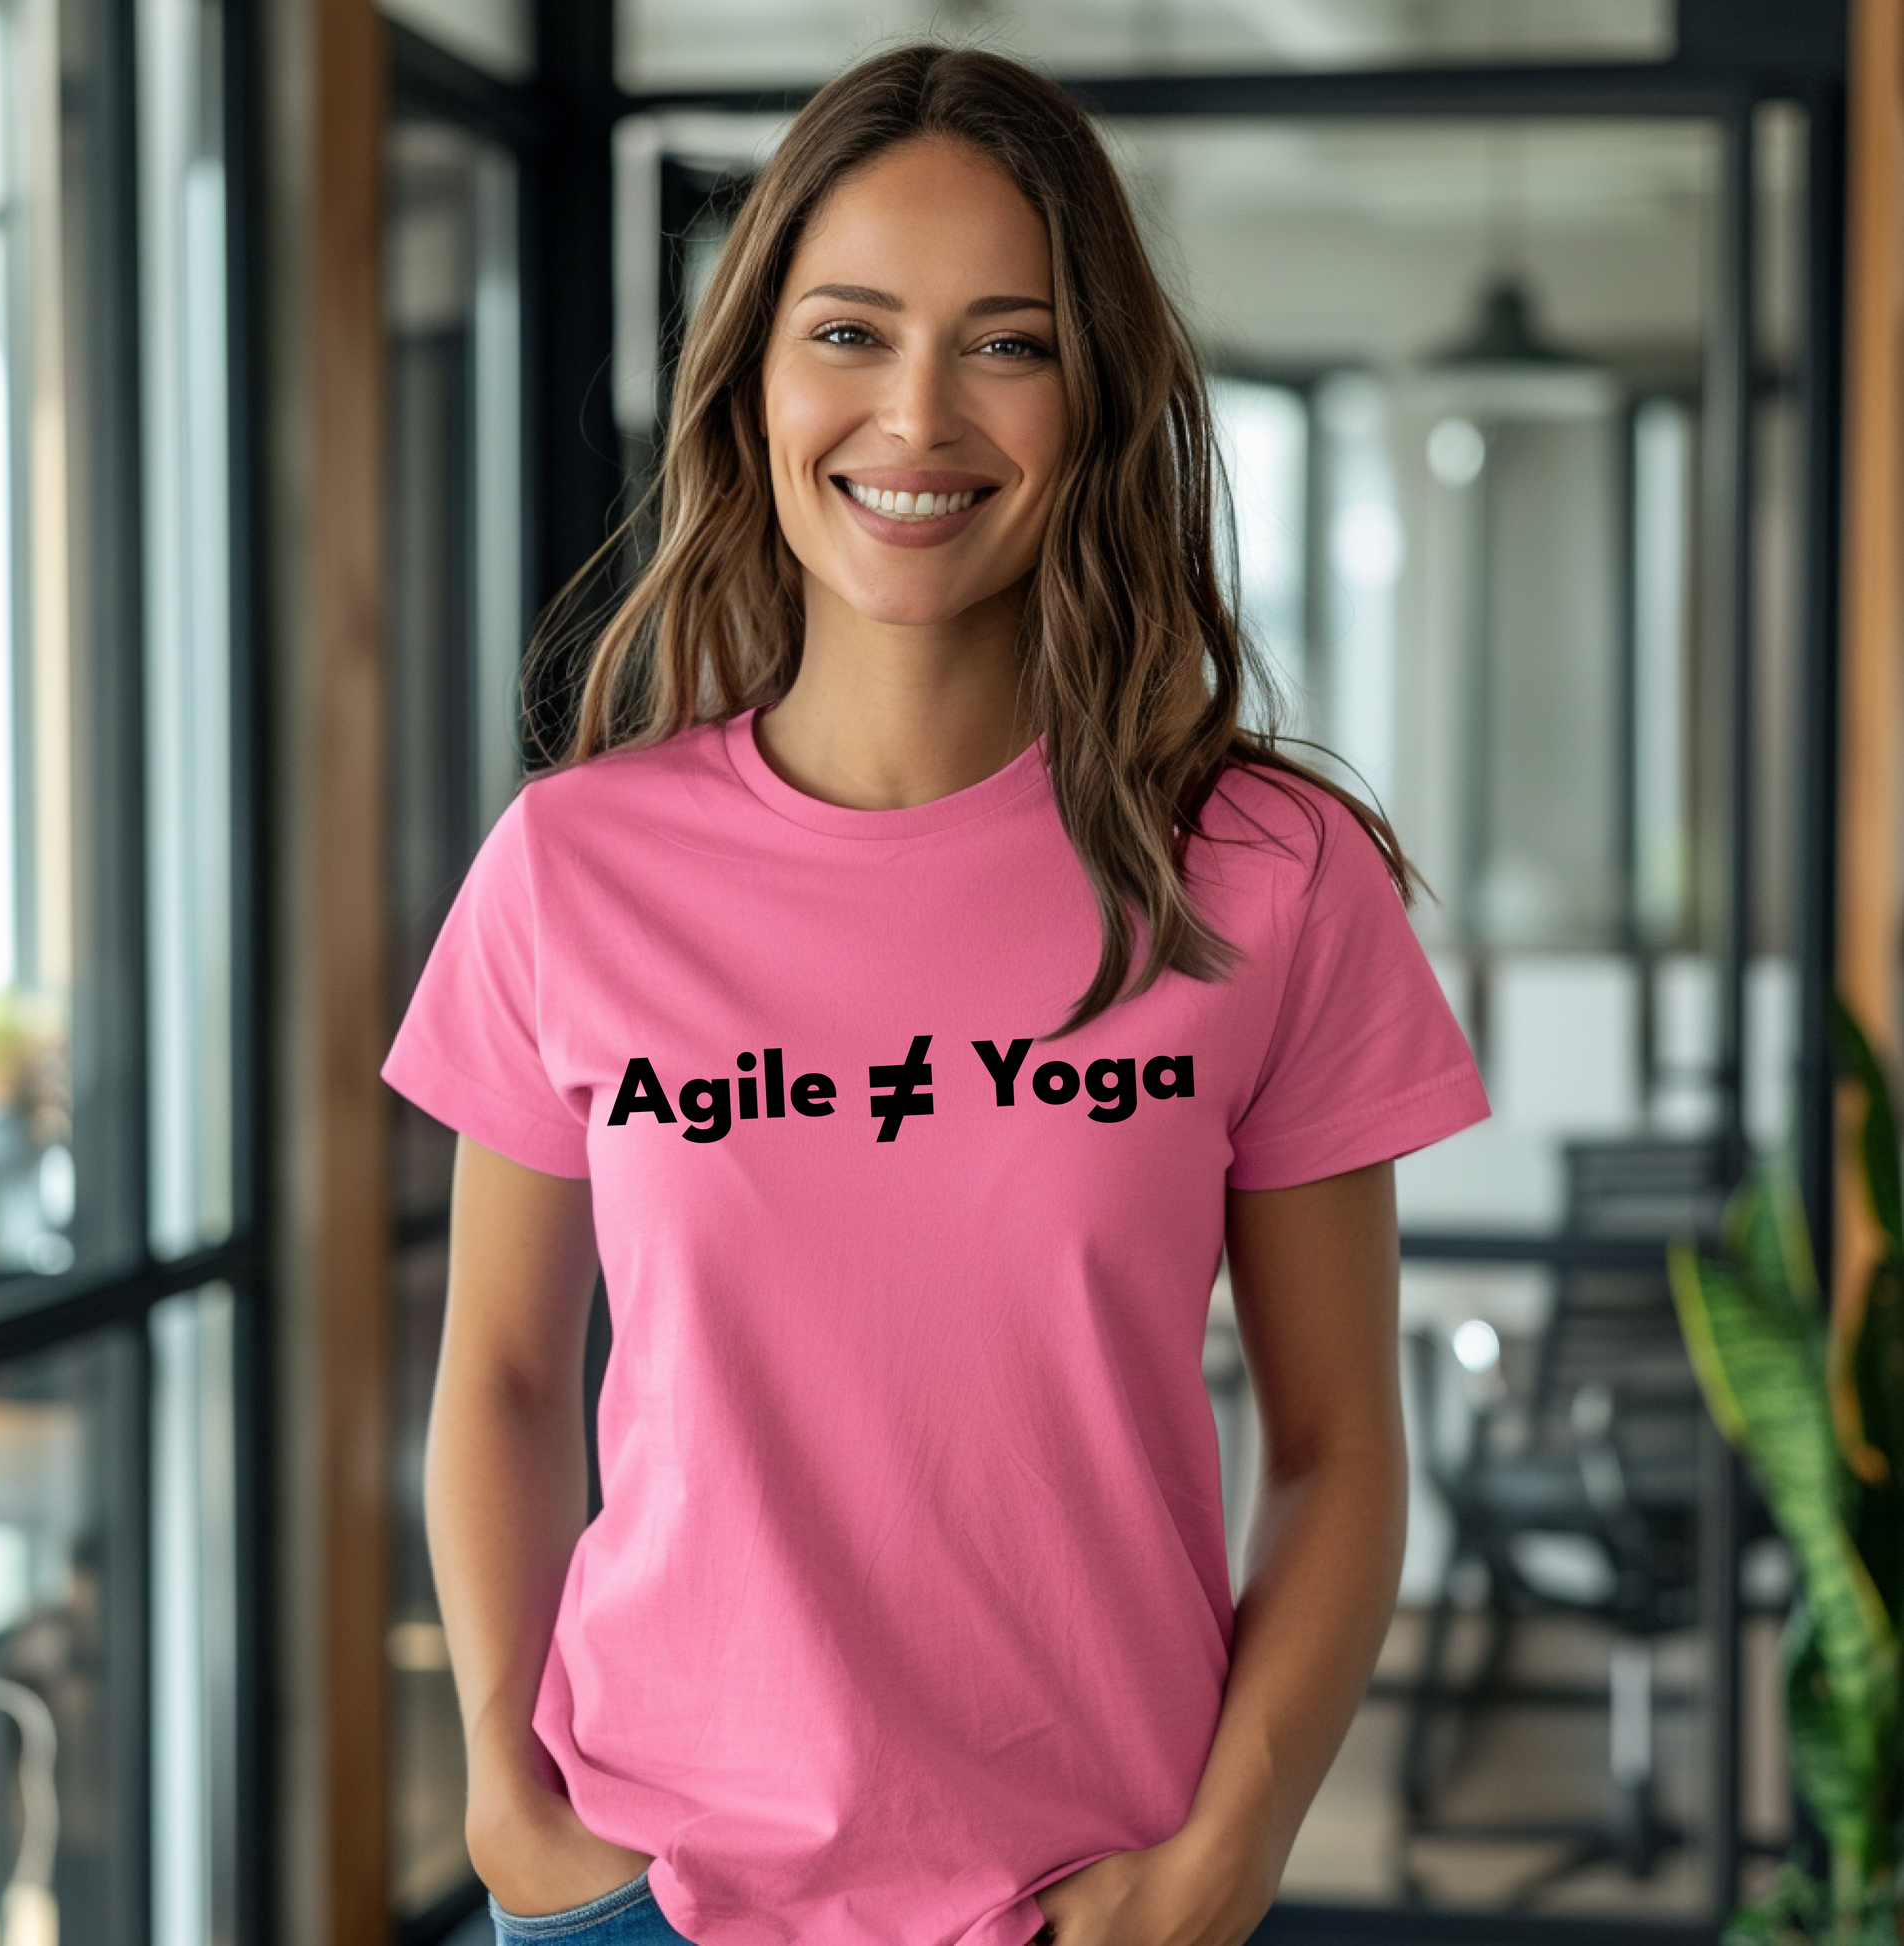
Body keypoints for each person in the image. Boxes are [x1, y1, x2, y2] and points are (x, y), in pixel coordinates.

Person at [381, 40, 1491, 1946]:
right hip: (643, 1902)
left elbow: (1336, 1448)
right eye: (848, 329)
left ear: (1095, 399)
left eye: (1007, 341)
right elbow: (495, 1373)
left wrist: (1224, 1849)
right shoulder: (575, 866)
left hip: (1092, 1902)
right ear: (749, 380)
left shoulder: (1265, 873)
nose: (916, 412)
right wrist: (503, 1770)